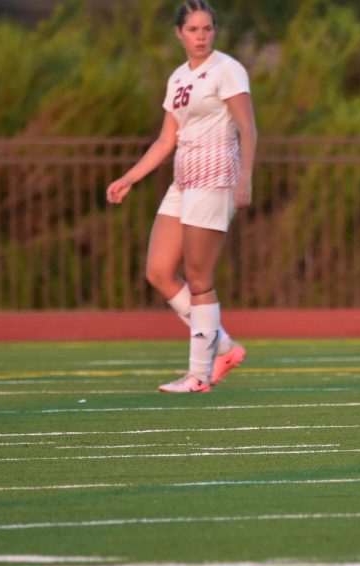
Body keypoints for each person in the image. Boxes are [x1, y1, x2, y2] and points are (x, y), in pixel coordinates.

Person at [106, 0, 256, 393]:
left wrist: (246, 177)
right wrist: (130, 177)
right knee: (157, 270)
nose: (201, 36)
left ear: (214, 32)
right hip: (184, 180)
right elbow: (166, 139)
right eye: (193, 30)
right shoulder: (177, 78)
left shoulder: (227, 70)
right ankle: (222, 345)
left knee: (198, 278)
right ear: (179, 34)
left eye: (207, 29)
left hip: (216, 177)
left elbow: (249, 128)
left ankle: (199, 375)